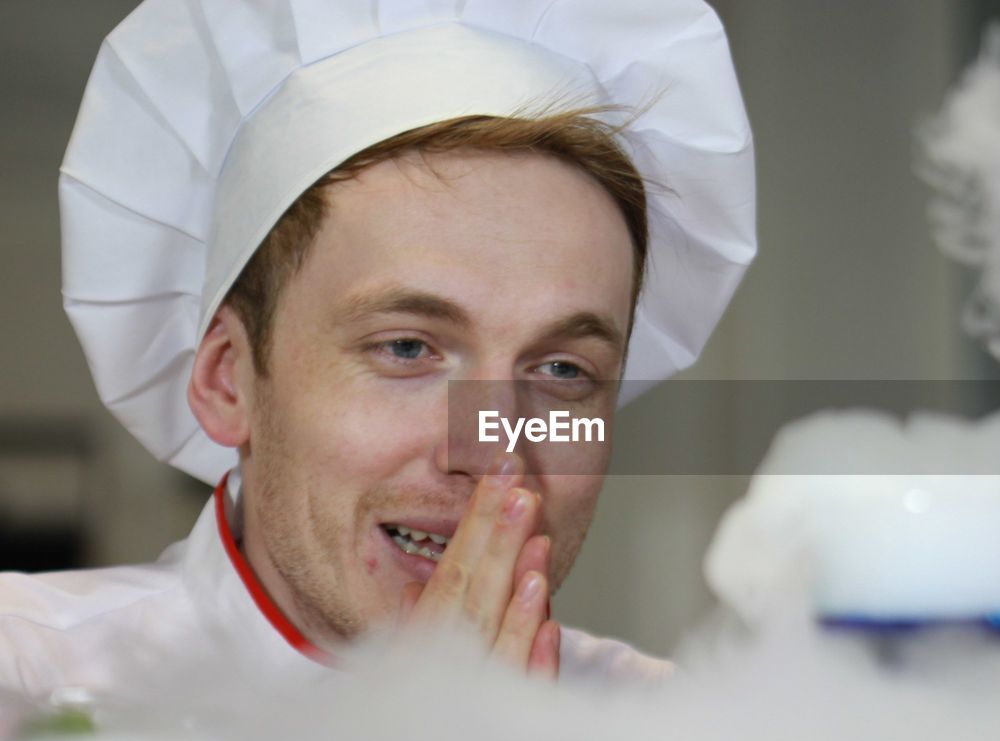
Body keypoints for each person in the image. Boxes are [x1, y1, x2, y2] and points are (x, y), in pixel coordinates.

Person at [0, 0, 755, 703]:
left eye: (562, 371)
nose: (493, 453)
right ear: (229, 378)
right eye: (407, 348)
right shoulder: (27, 682)